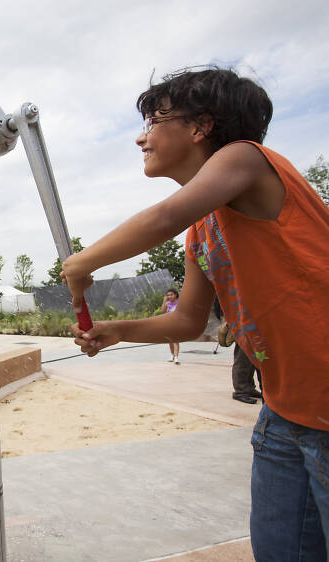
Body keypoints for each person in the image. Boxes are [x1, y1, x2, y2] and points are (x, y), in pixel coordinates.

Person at [62, 67, 329, 560]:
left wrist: (81, 262)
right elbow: (188, 320)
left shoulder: (246, 159)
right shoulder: (203, 228)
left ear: (201, 126)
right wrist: (116, 329)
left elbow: (165, 215)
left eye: (154, 119)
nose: (142, 136)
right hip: (285, 411)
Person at [159, 288, 180, 364]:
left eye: (171, 295)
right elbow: (162, 311)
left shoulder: (179, 303)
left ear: (175, 295)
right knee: (170, 341)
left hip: (176, 324)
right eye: (168, 295)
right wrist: (164, 300)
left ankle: (176, 357)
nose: (170, 296)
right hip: (169, 323)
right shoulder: (167, 303)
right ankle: (172, 355)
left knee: (176, 341)